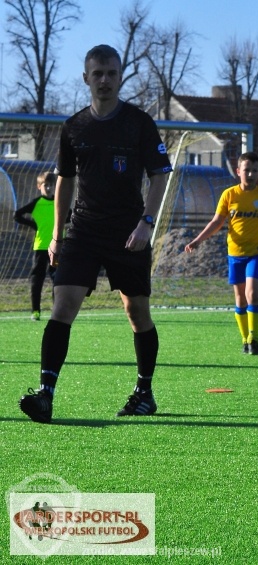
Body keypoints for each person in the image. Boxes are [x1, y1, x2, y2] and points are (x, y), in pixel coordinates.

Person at [18, 44, 172, 423]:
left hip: (129, 232)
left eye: (111, 73)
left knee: (136, 312)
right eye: (98, 74)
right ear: (86, 78)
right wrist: (57, 234)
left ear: (120, 77)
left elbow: (159, 176)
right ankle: (46, 394)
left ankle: (144, 392)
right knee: (63, 306)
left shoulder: (138, 123)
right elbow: (65, 182)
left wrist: (146, 223)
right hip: (83, 231)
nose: (104, 80)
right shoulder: (73, 127)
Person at [184, 152, 258, 355]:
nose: (251, 174)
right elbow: (217, 222)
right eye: (247, 170)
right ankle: (245, 339)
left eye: (255, 170)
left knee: (253, 294)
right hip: (235, 253)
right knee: (240, 299)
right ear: (238, 171)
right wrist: (198, 240)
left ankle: (254, 339)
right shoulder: (229, 195)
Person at [14, 171, 62, 321]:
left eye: (51, 185)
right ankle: (35, 311)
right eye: (45, 185)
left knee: (58, 280)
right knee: (37, 279)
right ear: (38, 186)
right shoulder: (36, 203)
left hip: (57, 248)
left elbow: (70, 216)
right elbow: (17, 215)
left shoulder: (60, 202)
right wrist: (34, 225)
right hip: (40, 247)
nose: (48, 188)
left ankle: (56, 312)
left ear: (55, 187)